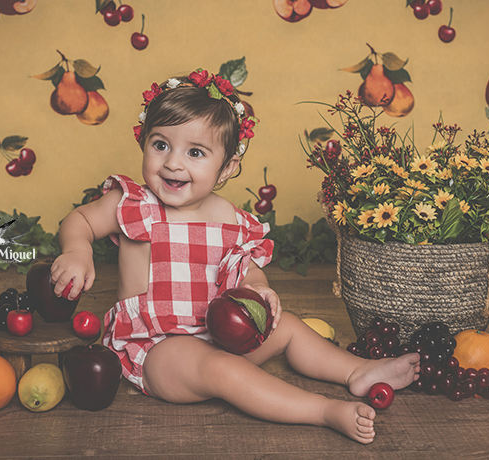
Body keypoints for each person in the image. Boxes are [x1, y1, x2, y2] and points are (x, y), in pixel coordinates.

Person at [50, 69, 420, 444]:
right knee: (221, 369)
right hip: (159, 349)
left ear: (227, 167)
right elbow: (79, 220)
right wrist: (78, 250)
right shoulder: (135, 202)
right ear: (143, 142)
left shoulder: (230, 217)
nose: (173, 163)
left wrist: (259, 291)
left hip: (223, 336)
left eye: (195, 152)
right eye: (161, 145)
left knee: (287, 326)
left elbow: (247, 270)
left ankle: (357, 371)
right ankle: (322, 411)